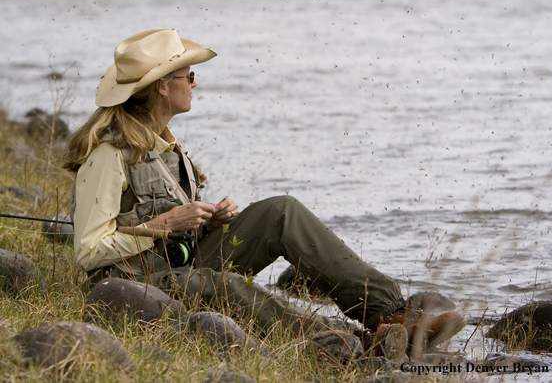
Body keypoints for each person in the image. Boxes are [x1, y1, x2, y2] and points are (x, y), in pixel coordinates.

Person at [63, 28, 465, 357]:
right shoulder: (108, 154)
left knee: (280, 211)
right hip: (137, 286)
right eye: (188, 77)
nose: (194, 83)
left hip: (176, 267)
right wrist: (163, 224)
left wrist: (208, 223)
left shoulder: (165, 144)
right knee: (228, 287)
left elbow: (172, 233)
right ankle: (349, 344)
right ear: (162, 88)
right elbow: (87, 250)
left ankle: (388, 315)